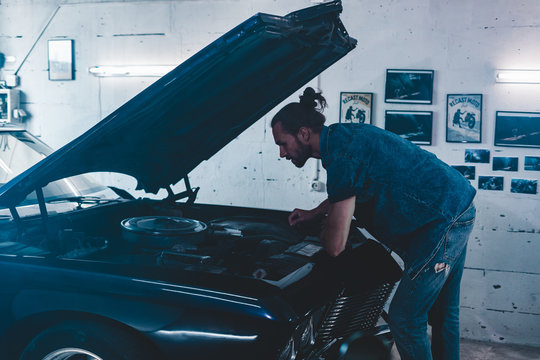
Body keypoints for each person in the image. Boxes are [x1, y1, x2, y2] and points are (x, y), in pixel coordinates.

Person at [271, 87, 476, 360]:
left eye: (282, 144)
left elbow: (334, 246)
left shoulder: (342, 157)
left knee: (405, 319)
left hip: (441, 223)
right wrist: (315, 213)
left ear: (304, 133)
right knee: (444, 312)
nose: (282, 153)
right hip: (457, 207)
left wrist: (319, 234)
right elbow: (347, 191)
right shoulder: (343, 137)